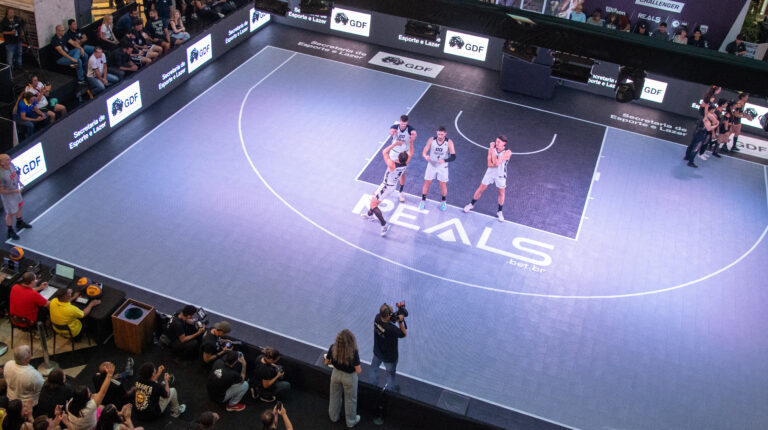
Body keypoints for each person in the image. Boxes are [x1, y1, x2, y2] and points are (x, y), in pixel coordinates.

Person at [362, 147, 413, 237]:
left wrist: (395, 144)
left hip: (386, 187)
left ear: (398, 157)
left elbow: (384, 151)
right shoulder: (406, 163)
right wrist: (411, 143)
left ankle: (384, 225)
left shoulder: (392, 165)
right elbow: (411, 152)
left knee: (373, 204)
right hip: (391, 186)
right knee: (375, 198)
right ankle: (369, 214)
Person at [463, 135, 512, 222]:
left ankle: (499, 212)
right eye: (496, 141)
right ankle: (471, 204)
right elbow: (489, 164)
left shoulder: (508, 152)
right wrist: (492, 151)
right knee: (480, 189)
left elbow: (496, 163)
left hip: (500, 175)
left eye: (499, 142)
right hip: (490, 173)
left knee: (501, 193)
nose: (496, 143)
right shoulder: (492, 149)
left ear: (504, 143)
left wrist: (492, 149)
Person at [324, 329, 361, 428]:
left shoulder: (333, 348)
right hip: (349, 378)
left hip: (335, 374)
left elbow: (326, 362)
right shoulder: (354, 352)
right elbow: (358, 371)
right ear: (351, 340)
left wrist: (333, 362)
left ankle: (333, 417)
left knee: (334, 396)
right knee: (350, 400)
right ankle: (351, 422)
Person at [368, 304, 406, 391]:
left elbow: (386, 320)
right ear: (388, 315)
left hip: (377, 352)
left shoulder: (377, 318)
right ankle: (390, 389)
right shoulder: (392, 329)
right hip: (389, 357)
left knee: (374, 368)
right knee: (390, 374)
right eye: (391, 313)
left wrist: (394, 317)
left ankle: (371, 386)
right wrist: (400, 321)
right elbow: (404, 334)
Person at [418, 126, 456, 211]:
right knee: (427, 182)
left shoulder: (449, 142)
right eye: (439, 134)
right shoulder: (431, 140)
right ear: (436, 133)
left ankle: (443, 201)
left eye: (442, 134)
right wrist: (425, 156)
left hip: (442, 166)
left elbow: (453, 156)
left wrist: (444, 160)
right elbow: (424, 151)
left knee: (442, 184)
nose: (440, 136)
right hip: (432, 164)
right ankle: (423, 201)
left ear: (445, 134)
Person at [67, 364, 114, 430]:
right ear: (85, 398)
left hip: (76, 426)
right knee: (104, 408)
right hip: (91, 428)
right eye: (89, 393)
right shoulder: (90, 407)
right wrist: (109, 375)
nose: (91, 393)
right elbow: (102, 392)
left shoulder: (69, 404)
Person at [0, 153, 32, 240]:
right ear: (1, 162)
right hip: (8, 196)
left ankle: (19, 222)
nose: (9, 160)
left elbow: (15, 175)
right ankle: (10, 231)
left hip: (16, 190)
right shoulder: (1, 175)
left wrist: (19, 182)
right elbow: (1, 191)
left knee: (20, 205)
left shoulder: (11, 165)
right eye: (7, 159)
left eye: (9, 158)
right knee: (10, 213)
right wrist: (14, 191)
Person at [387, 115, 417, 203]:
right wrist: (392, 132)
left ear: (407, 123)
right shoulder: (395, 127)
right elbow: (390, 131)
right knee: (390, 170)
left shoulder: (410, 129)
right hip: (394, 152)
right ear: (400, 121)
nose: (403, 125)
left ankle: (401, 191)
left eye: (405, 124)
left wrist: (413, 136)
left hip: (404, 154)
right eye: (402, 124)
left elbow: (414, 133)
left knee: (402, 172)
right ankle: (386, 187)